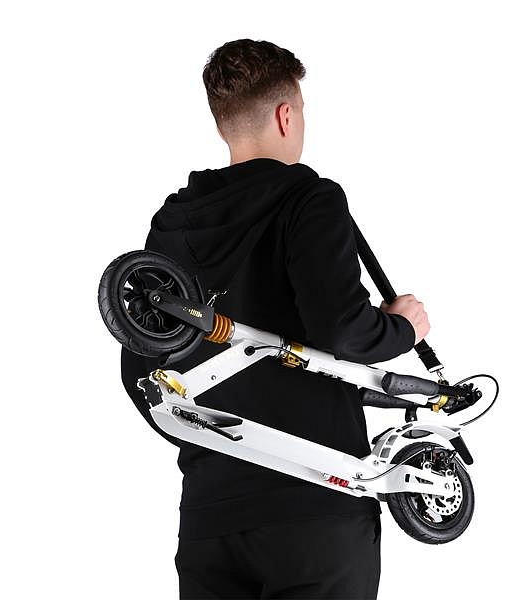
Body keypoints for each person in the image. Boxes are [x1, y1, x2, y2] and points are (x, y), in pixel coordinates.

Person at [121, 38, 430, 600]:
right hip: (316, 506)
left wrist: (212, 446)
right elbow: (341, 328)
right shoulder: (309, 198)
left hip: (211, 516)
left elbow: (138, 365)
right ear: (286, 115)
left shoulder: (173, 221)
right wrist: (402, 328)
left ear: (224, 123)